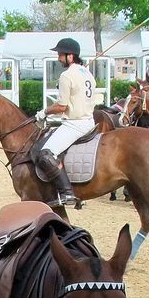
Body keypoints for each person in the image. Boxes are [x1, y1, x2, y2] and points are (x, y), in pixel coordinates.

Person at [33, 37, 97, 209]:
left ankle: (67, 192)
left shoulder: (67, 75)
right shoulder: (87, 73)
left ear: (70, 56)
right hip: (89, 121)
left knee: (46, 154)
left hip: (75, 124)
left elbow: (62, 106)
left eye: (61, 54)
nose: (58, 58)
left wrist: (44, 112)